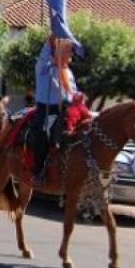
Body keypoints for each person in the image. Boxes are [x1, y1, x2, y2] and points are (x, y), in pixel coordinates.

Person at [30, 36, 78, 175]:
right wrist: (50, 41)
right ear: (59, 52)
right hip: (46, 109)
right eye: (68, 51)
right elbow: (44, 56)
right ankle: (39, 170)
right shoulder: (44, 68)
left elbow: (73, 92)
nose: (71, 54)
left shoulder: (68, 72)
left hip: (66, 110)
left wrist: (78, 97)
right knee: (41, 131)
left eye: (71, 51)